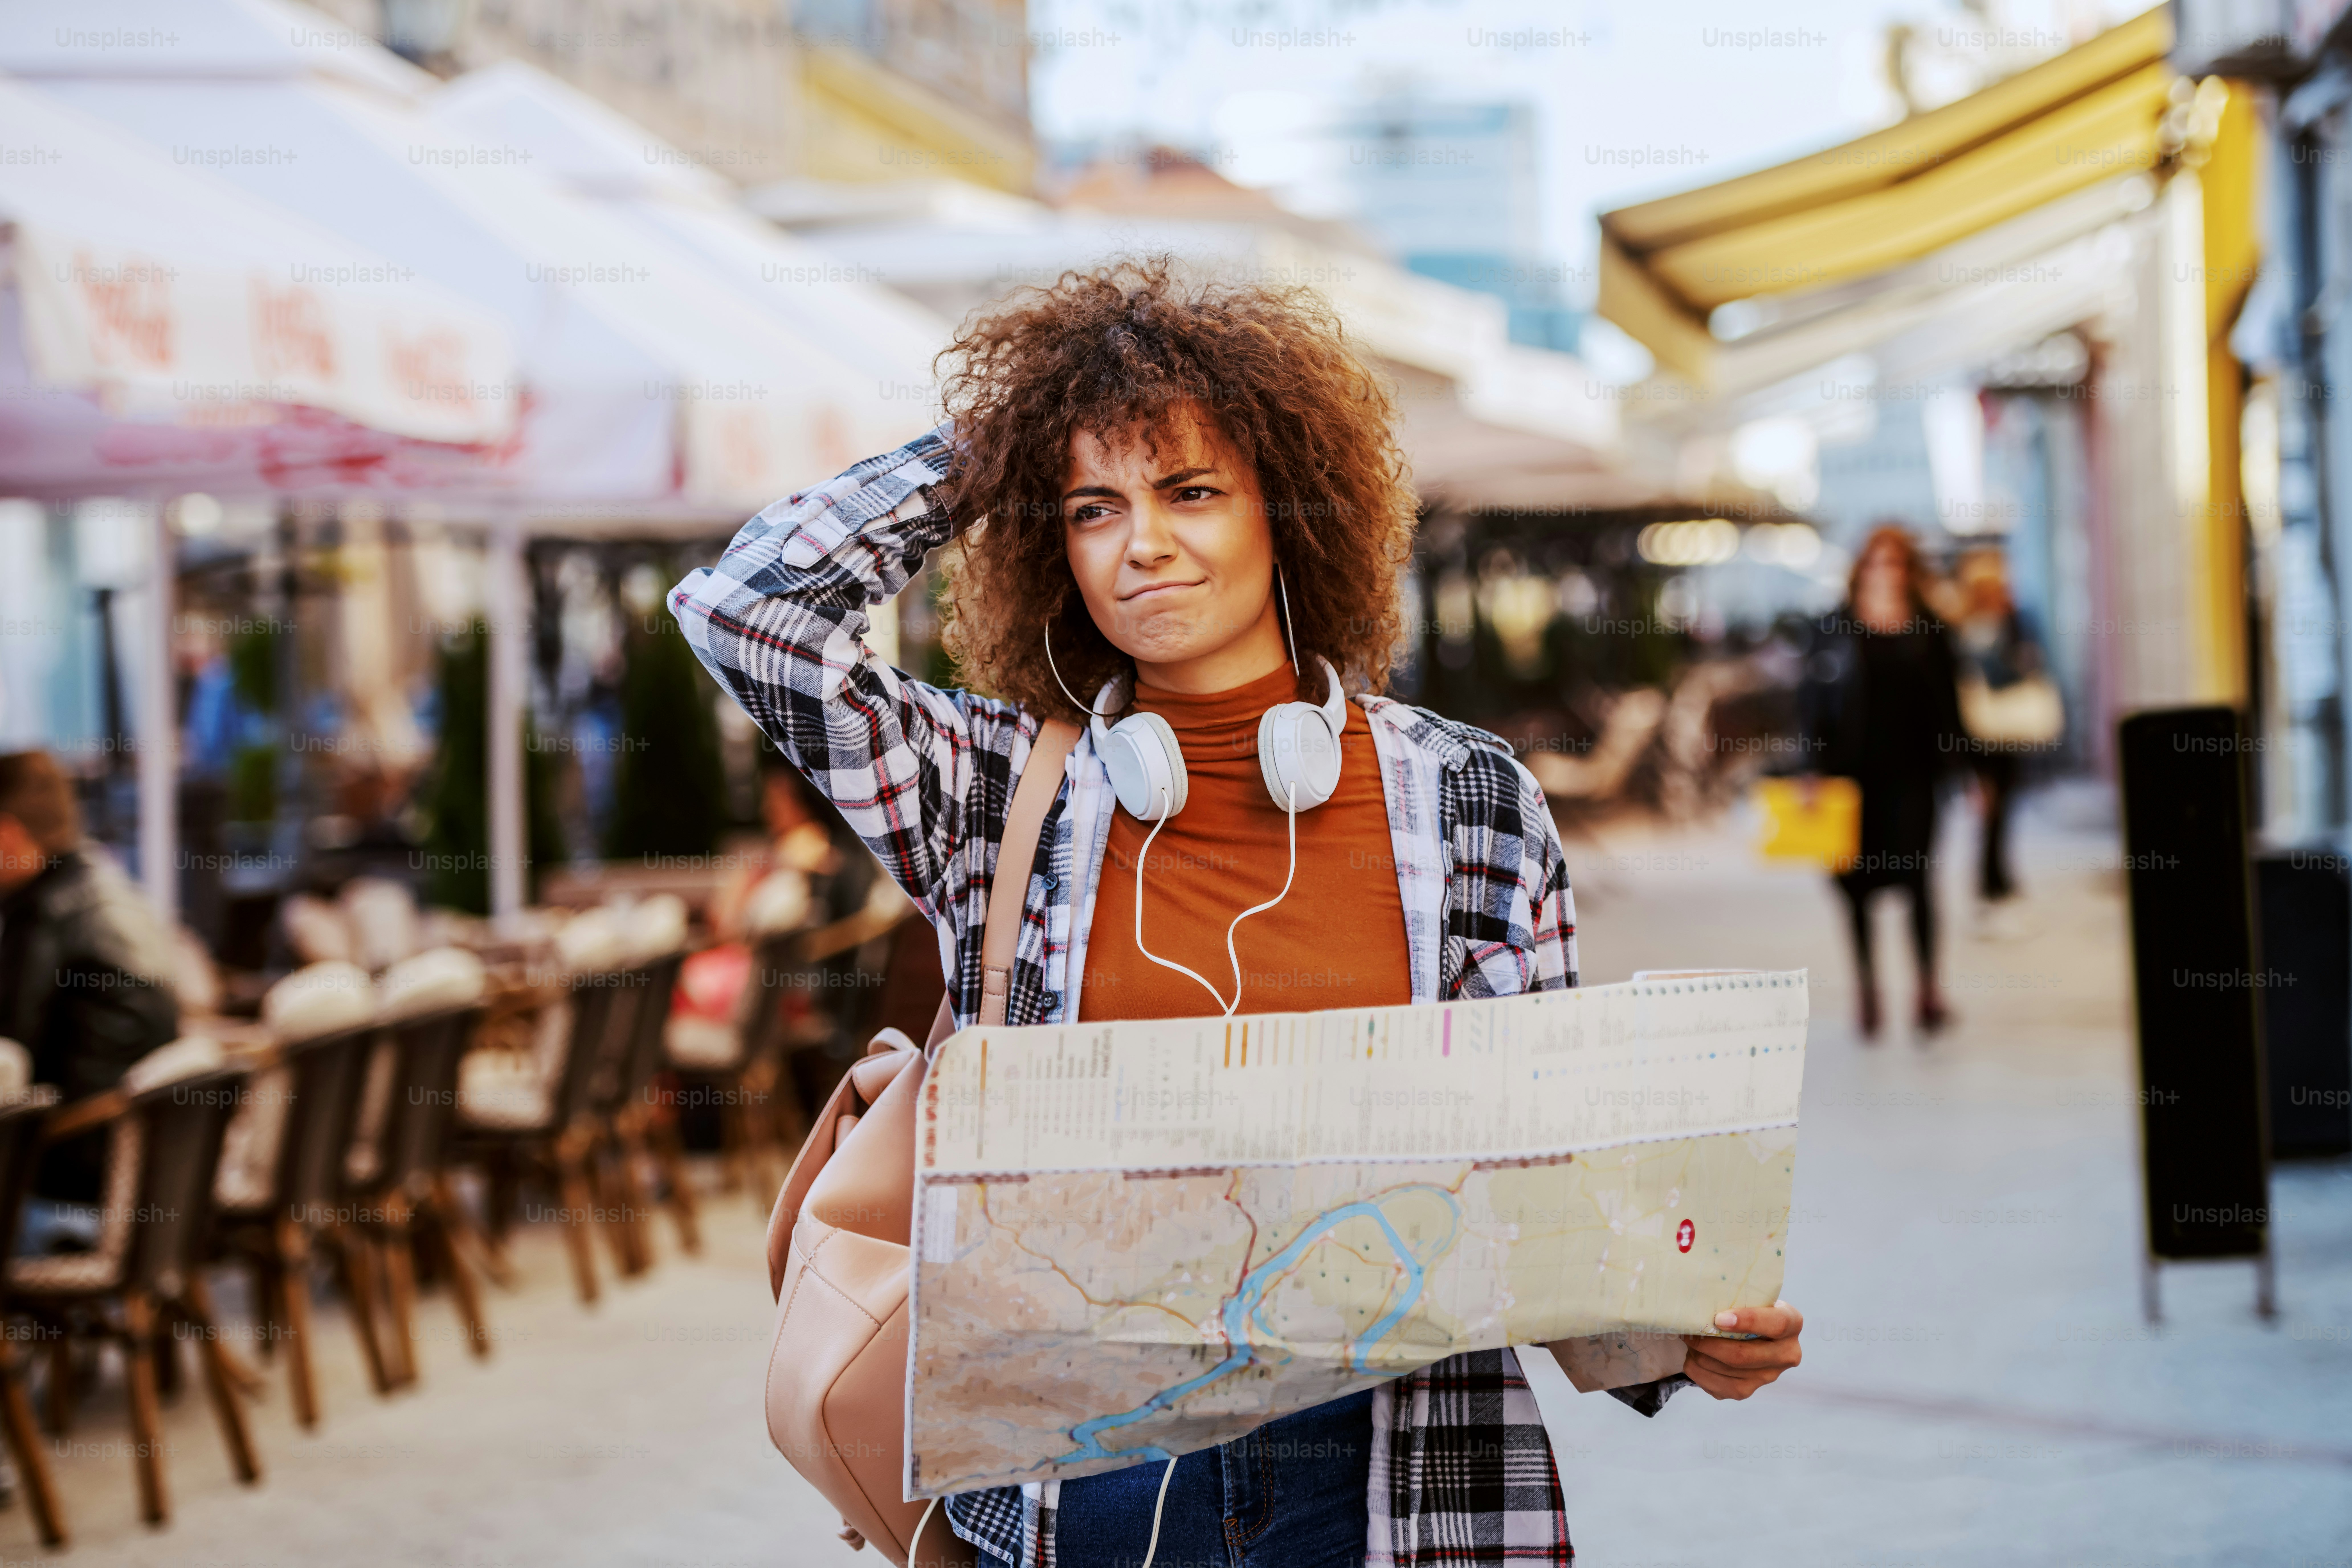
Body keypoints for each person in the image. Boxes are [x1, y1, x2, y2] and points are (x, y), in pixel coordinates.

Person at [673, 260, 1804, 1568]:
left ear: (1288, 507)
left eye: (1190, 489)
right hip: (1074, 1491)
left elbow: (1541, 1193)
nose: (1140, 540)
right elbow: (744, 615)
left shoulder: (1465, 801)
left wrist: (1680, 1339)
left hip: (1385, 1483)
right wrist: (1003, 443)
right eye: (1093, 508)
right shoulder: (992, 798)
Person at [0, 751, 180, 1244]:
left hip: (79, 1164)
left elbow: (10, 1056)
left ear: (7, 834)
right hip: (152, 1155)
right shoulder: (109, 883)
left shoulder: (42, 913)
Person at [1798, 526, 1967, 1042]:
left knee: (1918, 882)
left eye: (1896, 563)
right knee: (1855, 889)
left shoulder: (1931, 630)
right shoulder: (1834, 628)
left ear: (1909, 570)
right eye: (1876, 563)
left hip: (1914, 776)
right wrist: (1809, 767)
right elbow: (1809, 705)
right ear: (1861, 568)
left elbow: (1950, 706)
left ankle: (1927, 992)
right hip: (1850, 778)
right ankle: (1868, 991)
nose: (1885, 573)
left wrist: (1969, 771)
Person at [1952, 547, 2051, 928]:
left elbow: (2031, 663)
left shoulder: (2016, 620)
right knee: (1988, 813)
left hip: (2009, 731)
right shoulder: (1961, 625)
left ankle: (2000, 881)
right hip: (1977, 736)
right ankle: (1991, 885)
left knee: (2004, 812)